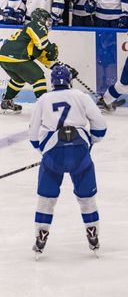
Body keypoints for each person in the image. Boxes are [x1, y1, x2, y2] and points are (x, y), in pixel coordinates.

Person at [28, 63, 106, 258]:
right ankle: (93, 233)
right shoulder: (80, 96)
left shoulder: (43, 99)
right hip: (80, 153)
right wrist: (89, 144)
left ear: (52, 82)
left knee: (46, 199)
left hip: (53, 155)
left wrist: (45, 151)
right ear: (70, 81)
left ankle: (41, 235)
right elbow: (100, 126)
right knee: (86, 198)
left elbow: (33, 135)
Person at [0, 8, 69, 113]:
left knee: (18, 79)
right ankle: (44, 108)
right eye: (46, 20)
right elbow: (43, 44)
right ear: (40, 19)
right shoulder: (35, 25)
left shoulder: (33, 39)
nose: (49, 23)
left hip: (4, 58)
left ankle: (6, 101)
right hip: (16, 56)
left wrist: (61, 67)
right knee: (39, 78)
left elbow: (44, 58)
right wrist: (50, 48)